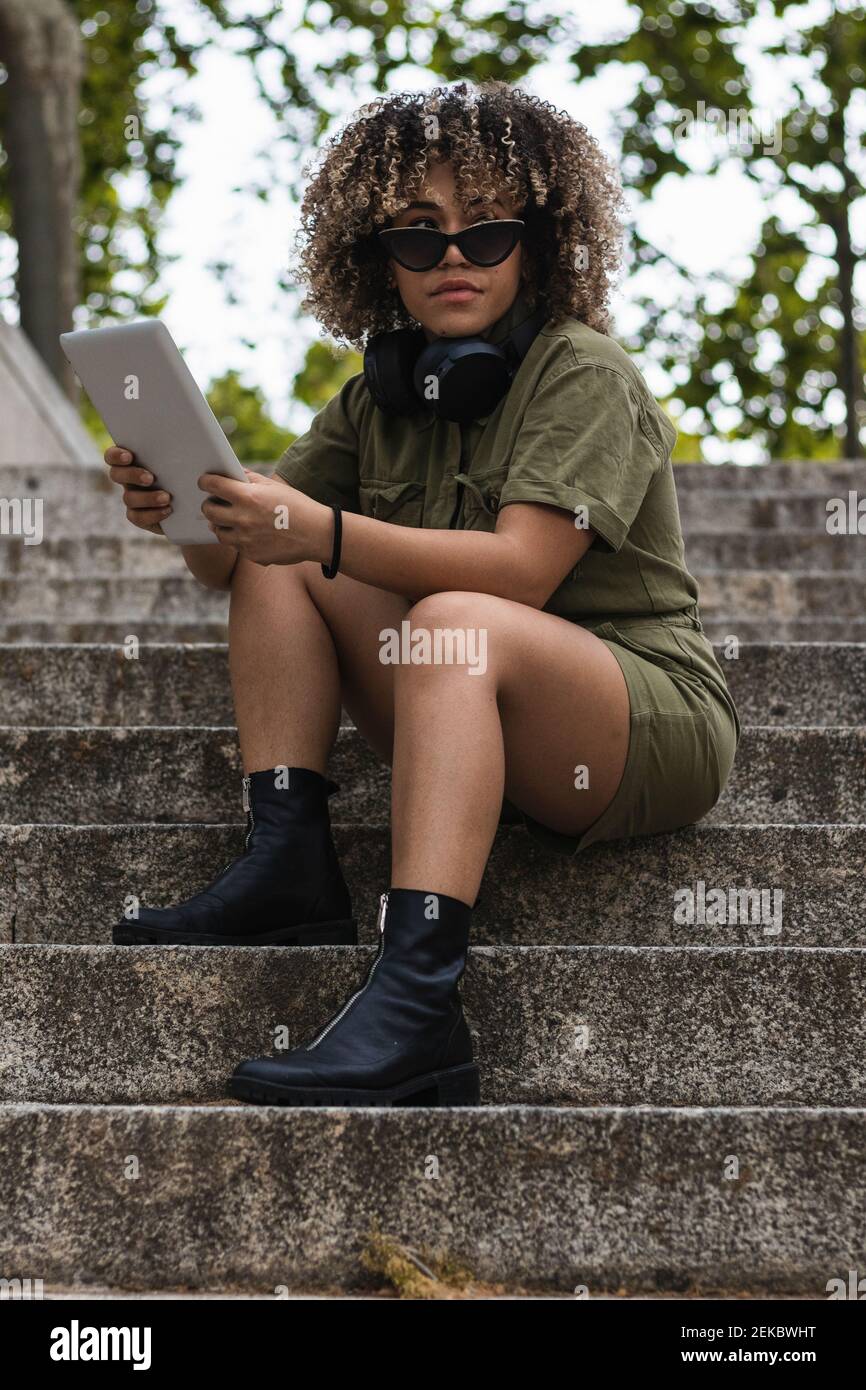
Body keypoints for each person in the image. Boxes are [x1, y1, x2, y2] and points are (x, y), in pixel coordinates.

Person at [102, 80, 741, 1108]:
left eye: (486, 232)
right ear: (375, 260)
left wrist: (328, 530)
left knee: (445, 621)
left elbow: (522, 573)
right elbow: (248, 562)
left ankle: (417, 1004)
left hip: (634, 721)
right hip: (468, 708)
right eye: (416, 235)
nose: (452, 256)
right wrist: (183, 509)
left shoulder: (585, 373)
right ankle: (289, 867)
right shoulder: (376, 396)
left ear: (536, 243)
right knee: (289, 555)